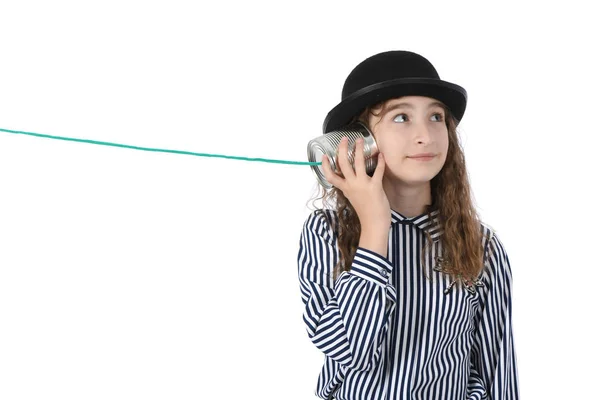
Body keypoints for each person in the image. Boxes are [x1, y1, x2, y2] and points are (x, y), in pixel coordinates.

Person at [297, 50, 519, 399]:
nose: (426, 136)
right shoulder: (326, 232)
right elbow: (350, 351)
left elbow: (497, 371)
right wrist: (374, 228)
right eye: (401, 118)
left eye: (436, 117)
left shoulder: (481, 245)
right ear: (358, 141)